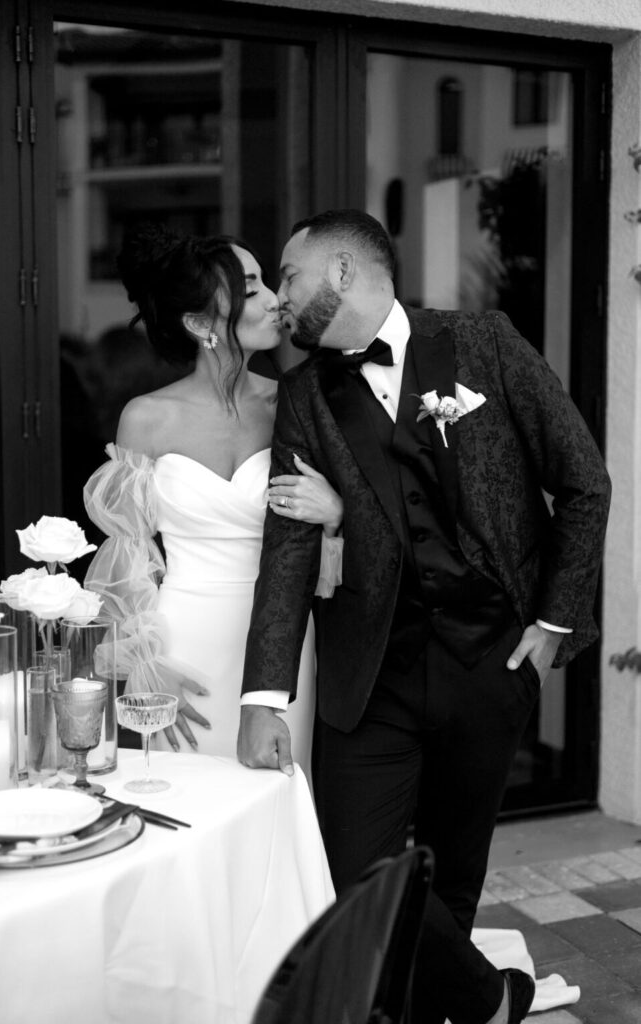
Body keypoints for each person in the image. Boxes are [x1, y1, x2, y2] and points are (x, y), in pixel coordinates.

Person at [237, 209, 611, 1023]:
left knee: (452, 871)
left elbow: (584, 483)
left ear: (340, 273)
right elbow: (288, 547)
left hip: (490, 660)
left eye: (289, 275)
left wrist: (552, 625)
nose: (282, 295)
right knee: (353, 869)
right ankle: (488, 1000)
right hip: (369, 672)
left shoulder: (484, 343)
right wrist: (263, 696)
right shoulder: (305, 394)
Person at [83, 223, 344, 770]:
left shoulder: (293, 405)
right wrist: (147, 666)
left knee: (276, 791)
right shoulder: (148, 418)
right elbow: (128, 558)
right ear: (201, 323)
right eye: (251, 290)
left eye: (268, 283)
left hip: (280, 643)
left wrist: (335, 515)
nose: (277, 301)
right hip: (183, 641)